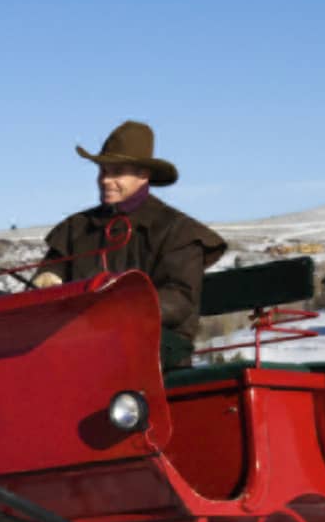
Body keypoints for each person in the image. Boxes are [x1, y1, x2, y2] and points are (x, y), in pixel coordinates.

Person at [31, 120, 226, 364]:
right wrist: (47, 280)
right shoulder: (76, 229)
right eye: (102, 171)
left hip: (158, 347)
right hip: (82, 344)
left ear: (143, 175)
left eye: (117, 172)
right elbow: (49, 275)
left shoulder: (178, 231)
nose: (105, 180)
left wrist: (118, 312)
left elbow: (179, 299)